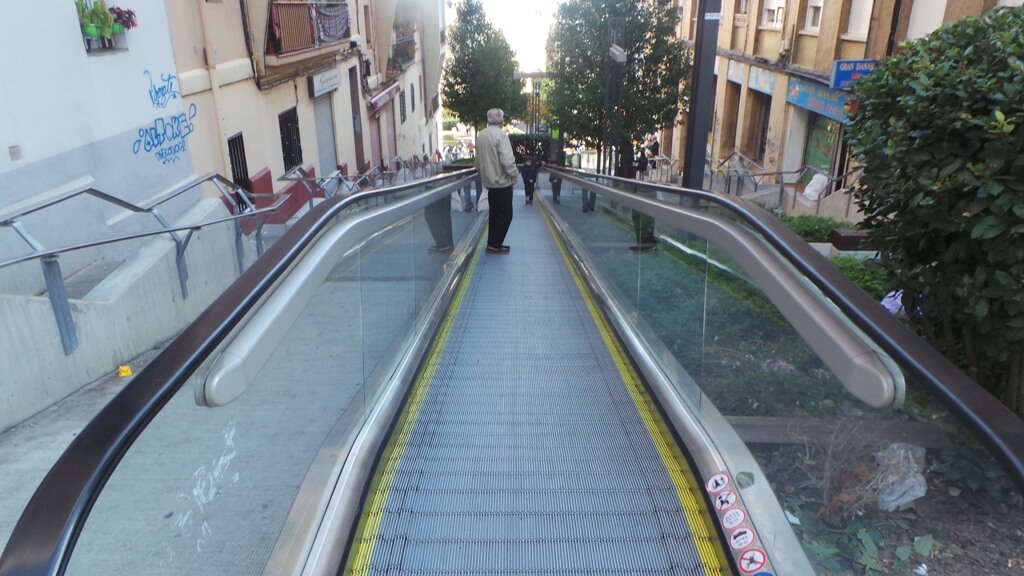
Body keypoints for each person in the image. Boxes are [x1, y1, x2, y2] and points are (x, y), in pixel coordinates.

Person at [475, 108, 518, 253]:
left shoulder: (481, 135)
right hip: (502, 182)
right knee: (506, 215)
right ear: (501, 120)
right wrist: (514, 175)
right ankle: (494, 244)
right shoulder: (501, 135)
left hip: (489, 183)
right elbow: (507, 160)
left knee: (494, 214)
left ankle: (492, 242)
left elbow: (477, 161)